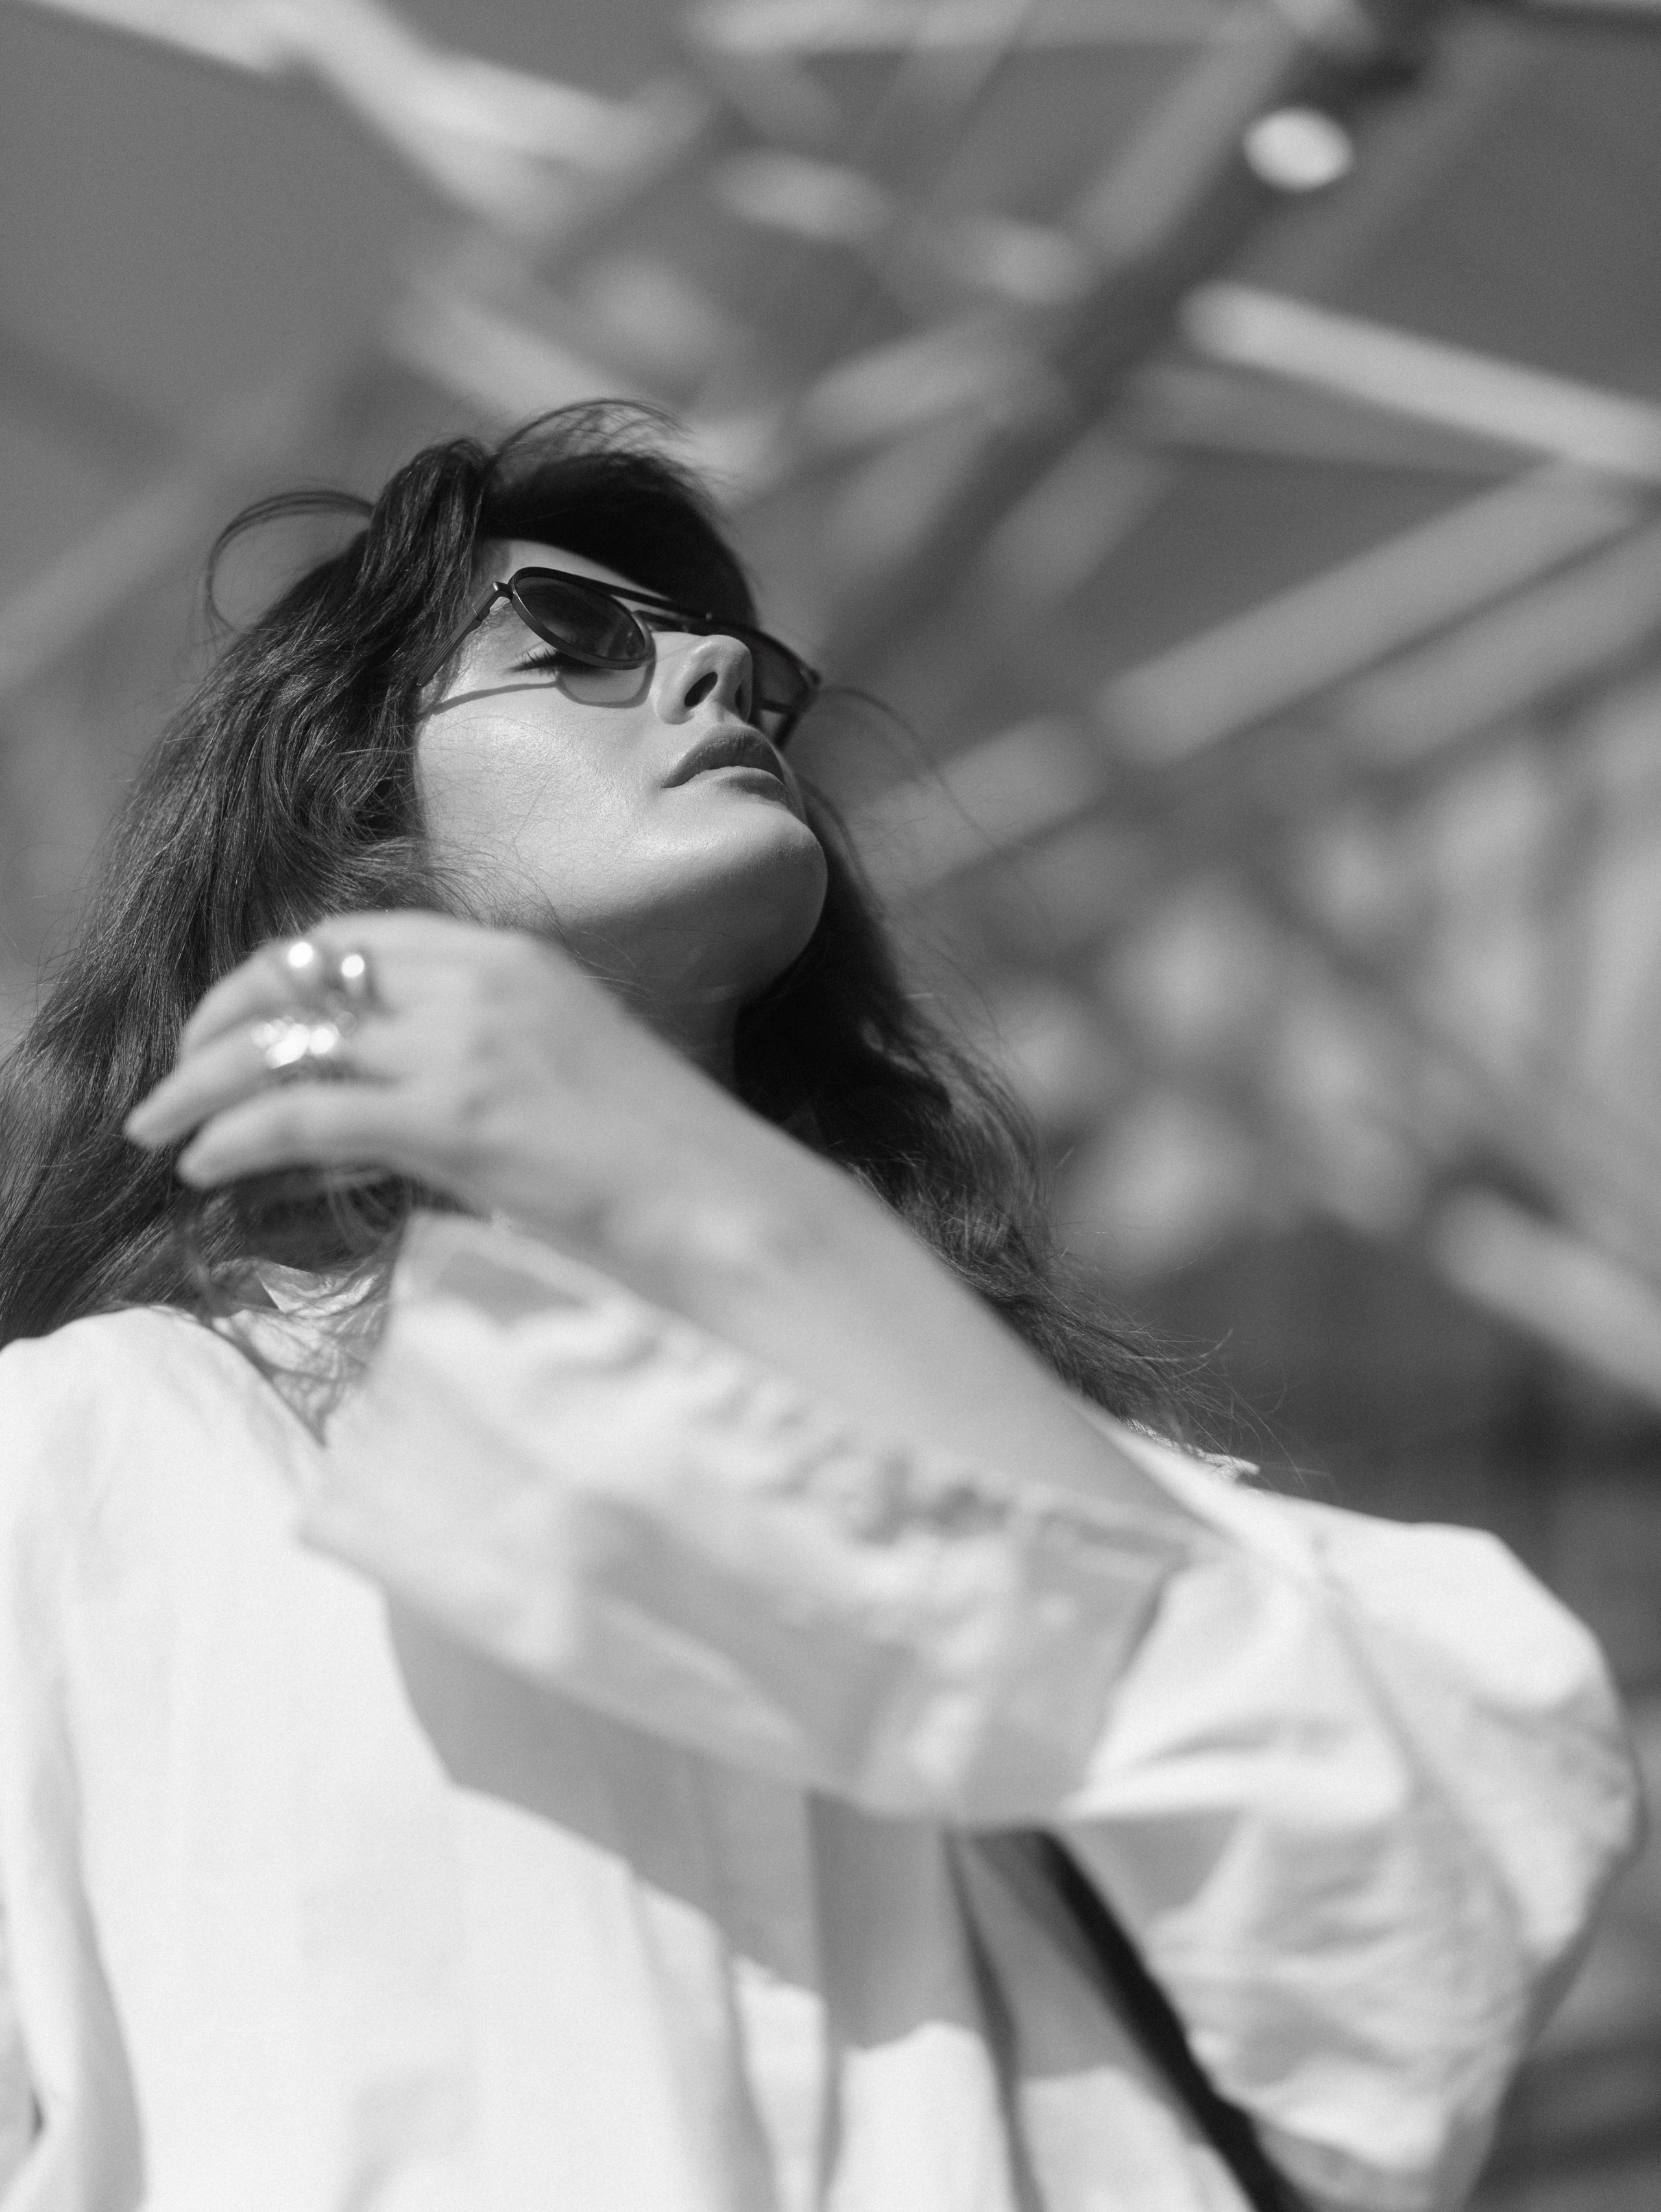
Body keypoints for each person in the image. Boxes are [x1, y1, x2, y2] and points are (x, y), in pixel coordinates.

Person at [0, 403, 1638, 2212]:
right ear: (339, 809)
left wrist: (694, 1192)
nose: (713, 669)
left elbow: (1423, 1938)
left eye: (746, 671)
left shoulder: (1056, 1467)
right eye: (572, 637)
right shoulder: (94, 1464)